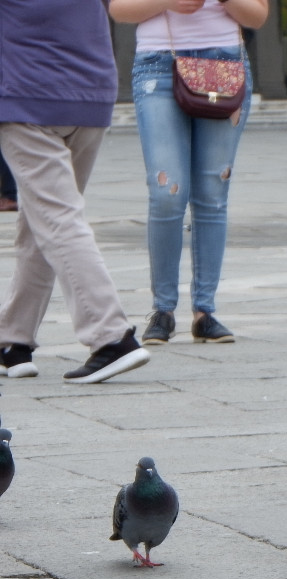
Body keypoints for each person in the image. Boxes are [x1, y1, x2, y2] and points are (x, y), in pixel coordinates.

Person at [0, 0, 149, 383]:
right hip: (90, 96)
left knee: (58, 220)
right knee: (43, 221)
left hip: (27, 98)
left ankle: (110, 336)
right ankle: (12, 340)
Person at [109, 0, 269, 349]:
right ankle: (162, 309)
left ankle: (205, 310)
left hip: (225, 61)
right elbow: (120, 10)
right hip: (158, 65)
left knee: (212, 193)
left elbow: (257, 15)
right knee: (166, 192)